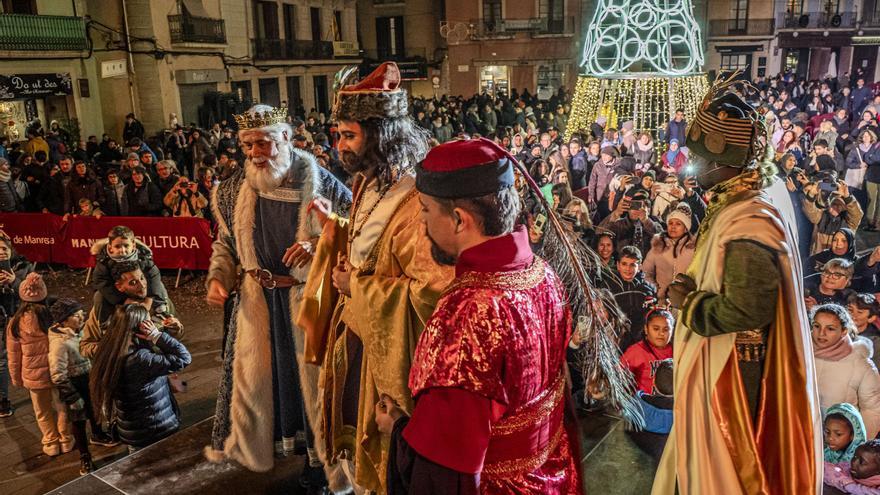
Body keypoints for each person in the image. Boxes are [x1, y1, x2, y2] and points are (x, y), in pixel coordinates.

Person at [375, 137, 583, 494]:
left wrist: (396, 427)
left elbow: (446, 468)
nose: (422, 226)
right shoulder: (543, 274)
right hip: (553, 474)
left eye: (425, 210)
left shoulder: (468, 312)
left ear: (459, 219)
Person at [655, 82, 822, 494]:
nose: (694, 163)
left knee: (728, 469)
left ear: (728, 161)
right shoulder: (741, 199)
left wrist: (688, 303)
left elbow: (748, 309)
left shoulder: (751, 219)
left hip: (735, 371)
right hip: (726, 360)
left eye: (702, 157)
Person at [298, 62, 453, 493]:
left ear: (381, 136)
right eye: (339, 135)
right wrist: (337, 229)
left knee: (383, 468)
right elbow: (370, 243)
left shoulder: (415, 201)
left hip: (388, 358)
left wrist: (359, 289)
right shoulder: (370, 180)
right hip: (357, 339)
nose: (339, 146)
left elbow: (434, 291)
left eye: (349, 136)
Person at [204, 104, 352, 491]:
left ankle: (321, 464)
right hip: (258, 302)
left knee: (317, 390)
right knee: (273, 385)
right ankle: (288, 451)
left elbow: (355, 235)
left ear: (286, 137)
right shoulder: (236, 187)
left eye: (264, 143)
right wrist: (219, 276)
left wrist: (318, 241)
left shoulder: (322, 183)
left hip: (308, 303)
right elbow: (226, 243)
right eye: (248, 145)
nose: (255, 153)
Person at [89, 304, 191, 451]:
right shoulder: (140, 359)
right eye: (148, 323)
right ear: (139, 328)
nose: (153, 326)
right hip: (156, 430)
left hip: (133, 431)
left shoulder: (109, 351)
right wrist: (157, 336)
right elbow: (184, 357)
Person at [7, 273, 75, 457]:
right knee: (62, 406)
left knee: (42, 411)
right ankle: (66, 439)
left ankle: (51, 442)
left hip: (33, 377)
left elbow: (13, 356)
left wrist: (16, 378)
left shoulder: (15, 323)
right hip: (56, 371)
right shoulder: (53, 317)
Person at [48, 298, 116, 475]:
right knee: (78, 422)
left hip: (88, 378)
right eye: (76, 316)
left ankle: (98, 434)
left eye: (81, 314)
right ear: (63, 321)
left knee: (94, 410)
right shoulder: (59, 343)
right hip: (74, 384)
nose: (81, 318)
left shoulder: (81, 332)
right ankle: (85, 456)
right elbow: (57, 374)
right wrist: (72, 396)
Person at [812, 304, 880, 437]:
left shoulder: (859, 363)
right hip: (800, 438)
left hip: (839, 448)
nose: (821, 333)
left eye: (830, 328)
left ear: (844, 331)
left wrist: (856, 444)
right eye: (817, 326)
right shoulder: (800, 353)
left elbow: (872, 410)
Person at [0, 233, 32, 417]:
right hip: (1, 320)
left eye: (4, 248)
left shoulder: (22, 266)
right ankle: (3, 399)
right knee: (2, 361)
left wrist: (15, 282)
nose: (2, 253)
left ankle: (37, 389)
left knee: (29, 356)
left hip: (21, 319)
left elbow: (34, 293)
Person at [602, 245, 657, 351]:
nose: (628, 269)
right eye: (624, 264)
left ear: (640, 266)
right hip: (615, 341)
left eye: (633, 265)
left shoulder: (647, 289)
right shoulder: (607, 287)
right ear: (618, 265)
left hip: (641, 341)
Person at [642, 204, 696, 301]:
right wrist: (657, 290)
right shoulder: (658, 246)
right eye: (670, 223)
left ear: (686, 228)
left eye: (678, 224)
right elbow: (646, 272)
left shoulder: (694, 249)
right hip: (661, 302)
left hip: (685, 302)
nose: (673, 227)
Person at [621, 308, 674, 394]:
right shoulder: (635, 351)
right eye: (656, 329)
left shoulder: (678, 350)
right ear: (646, 329)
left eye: (666, 329)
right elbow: (619, 379)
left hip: (672, 405)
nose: (661, 333)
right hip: (646, 405)